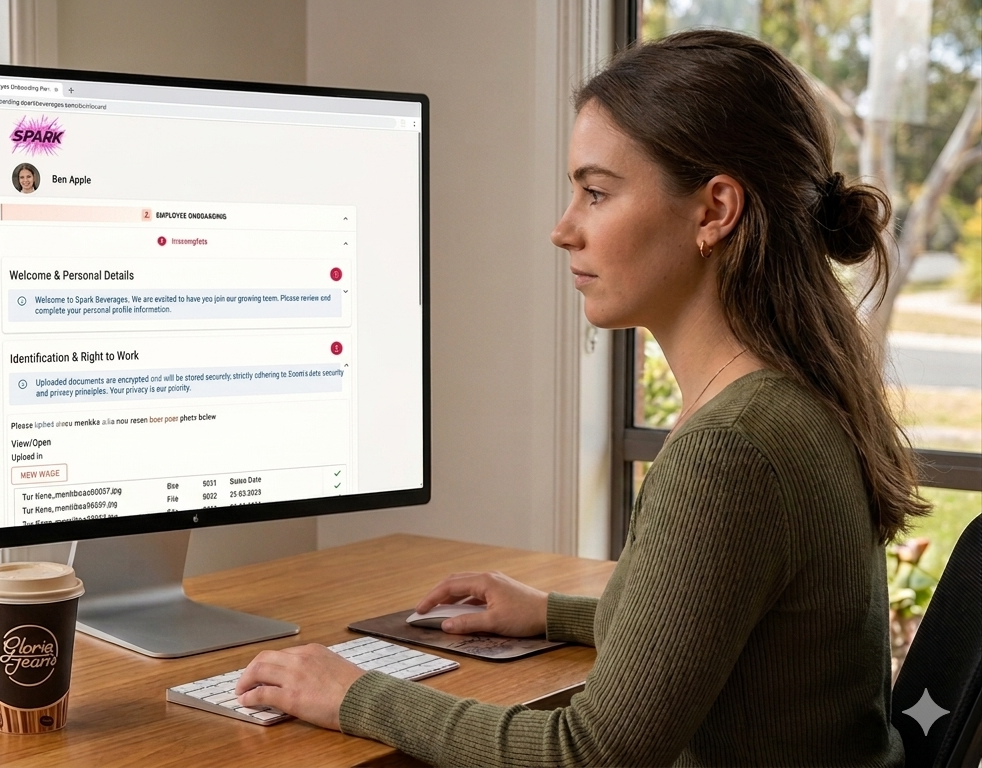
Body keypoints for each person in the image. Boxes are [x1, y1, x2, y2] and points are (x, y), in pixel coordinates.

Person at [233, 29, 924, 767]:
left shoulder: (732, 449)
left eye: (596, 192)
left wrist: (352, 693)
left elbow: (590, 754)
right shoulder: (784, 402)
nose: (563, 229)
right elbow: (729, 624)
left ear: (713, 210)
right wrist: (550, 613)